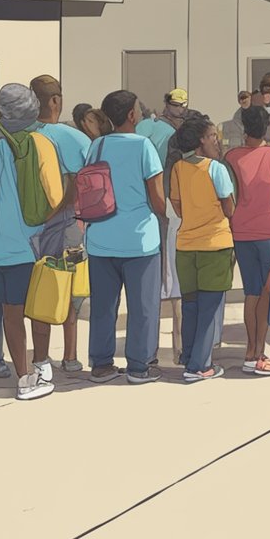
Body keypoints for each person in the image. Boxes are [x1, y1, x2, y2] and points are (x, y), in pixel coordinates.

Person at [0, 85, 54, 400]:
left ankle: (23, 377)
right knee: (41, 308)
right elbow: (56, 193)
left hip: (8, 246)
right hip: (41, 242)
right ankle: (42, 363)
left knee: (12, 311)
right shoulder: (44, 143)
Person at [85, 91, 167, 385]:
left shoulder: (97, 146)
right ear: (131, 115)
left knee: (104, 306)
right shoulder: (144, 146)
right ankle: (138, 366)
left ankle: (102, 364)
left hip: (101, 237)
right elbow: (158, 198)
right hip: (138, 240)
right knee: (142, 307)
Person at [30, 76, 94, 377]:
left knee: (38, 288)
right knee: (70, 289)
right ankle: (70, 356)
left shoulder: (22, 137)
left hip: (29, 227)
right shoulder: (77, 139)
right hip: (70, 224)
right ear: (55, 101)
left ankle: (41, 358)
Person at [225, 106, 270, 376]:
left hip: (241, 230)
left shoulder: (230, 157)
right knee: (266, 292)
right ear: (265, 128)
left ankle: (249, 352)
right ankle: (259, 353)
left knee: (251, 293)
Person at [169, 114, 234, 382]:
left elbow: (177, 205)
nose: (216, 141)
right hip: (215, 244)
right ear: (200, 142)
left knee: (191, 305)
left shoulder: (177, 169)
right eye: (211, 137)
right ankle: (199, 366)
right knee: (210, 308)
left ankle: (188, 356)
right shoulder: (216, 169)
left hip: (185, 245)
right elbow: (229, 208)